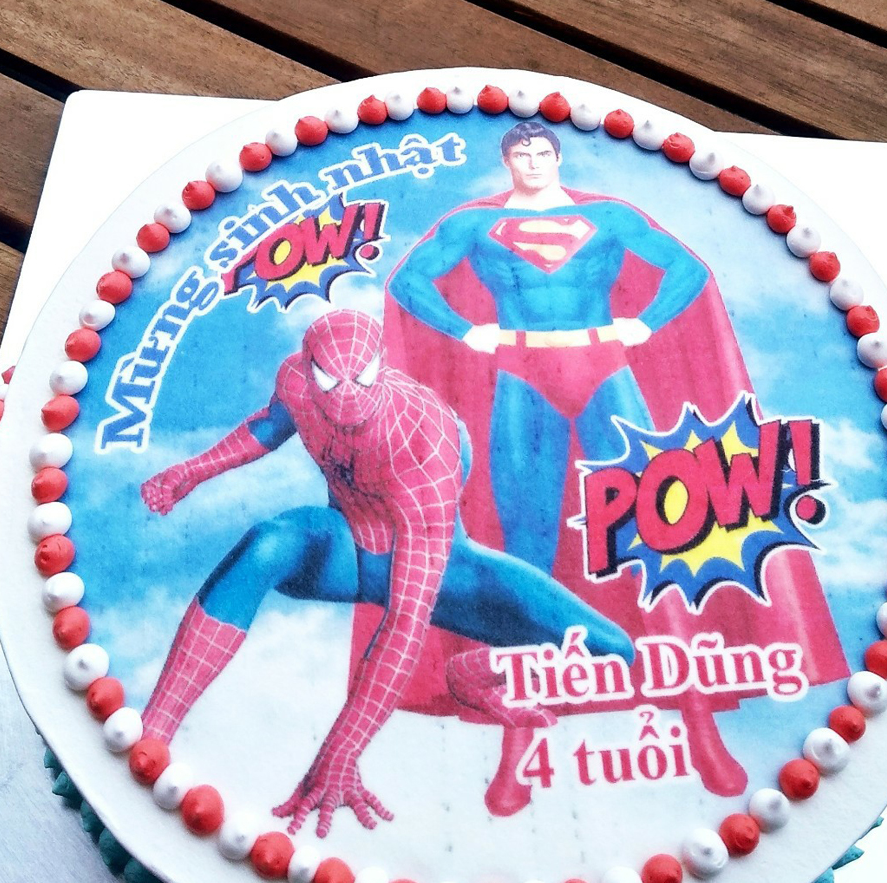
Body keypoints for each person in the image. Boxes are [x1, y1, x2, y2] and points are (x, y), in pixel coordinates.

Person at [384, 120, 848, 808]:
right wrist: (466, 331)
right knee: (527, 554)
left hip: (605, 370)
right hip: (521, 376)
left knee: (657, 539)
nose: (533, 161)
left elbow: (689, 269)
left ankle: (701, 733)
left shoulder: (607, 216)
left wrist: (644, 322)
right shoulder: (474, 223)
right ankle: (519, 752)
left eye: (542, 151)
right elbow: (408, 282)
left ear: (557, 156)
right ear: (507, 160)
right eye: (521, 152)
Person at [139, 309, 633, 838]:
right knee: (266, 545)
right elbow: (267, 428)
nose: (347, 395)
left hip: (444, 575)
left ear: (382, 363)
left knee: (614, 651)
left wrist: (340, 752)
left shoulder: (426, 436)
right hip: (348, 553)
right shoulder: (296, 383)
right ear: (308, 369)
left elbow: (405, 619)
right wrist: (190, 471)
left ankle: (478, 674)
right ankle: (151, 734)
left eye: (362, 377)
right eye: (330, 379)